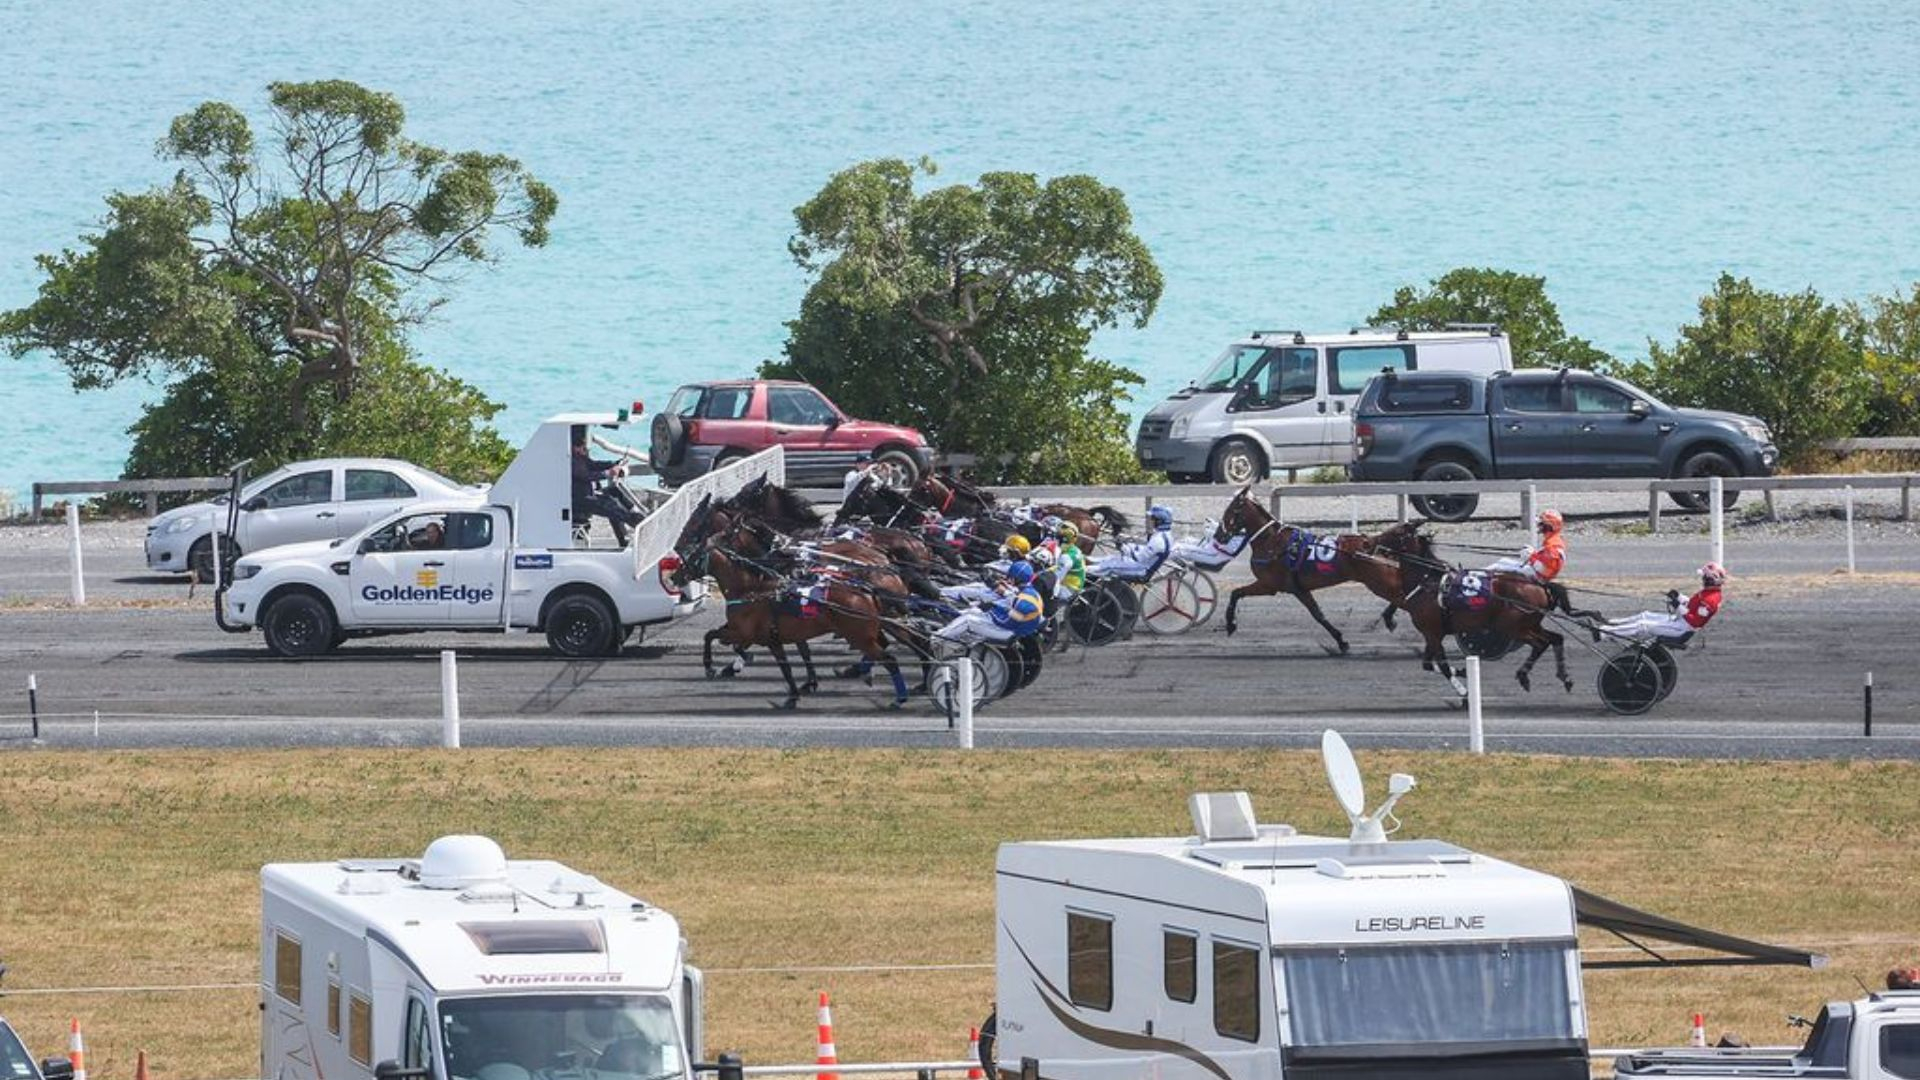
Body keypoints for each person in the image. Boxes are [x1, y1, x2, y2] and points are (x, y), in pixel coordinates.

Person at [1596, 563, 1727, 643]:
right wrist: (1679, 597)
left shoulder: (1711, 600)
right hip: (1680, 621)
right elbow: (1692, 605)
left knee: (1643, 625)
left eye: (1704, 577)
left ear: (1710, 579)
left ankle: (1604, 633)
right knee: (1645, 615)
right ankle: (1612, 623)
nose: (1702, 579)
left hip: (1683, 628)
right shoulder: (1708, 593)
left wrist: (1678, 606)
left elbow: (1695, 622)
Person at [934, 561, 1045, 644]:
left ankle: (935, 639)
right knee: (973, 611)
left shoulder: (1024, 599)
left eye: (1011, 577)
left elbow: (1011, 619)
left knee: (968, 620)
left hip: (1008, 630)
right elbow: (1012, 599)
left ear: (1016, 578)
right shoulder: (1030, 592)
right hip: (1014, 627)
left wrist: (992, 608)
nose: (1008, 579)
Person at [572, 428, 642, 546]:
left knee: (614, 491)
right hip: (580, 500)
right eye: (579, 445)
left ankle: (633, 512)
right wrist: (608, 473)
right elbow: (586, 476)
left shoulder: (580, 458)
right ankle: (637, 523)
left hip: (589, 494)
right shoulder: (571, 461)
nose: (583, 448)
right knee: (612, 506)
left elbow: (594, 465)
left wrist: (614, 463)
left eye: (583, 444)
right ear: (573, 447)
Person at [1092, 505, 1174, 581]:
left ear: (1159, 521)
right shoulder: (1165, 536)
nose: (1151, 521)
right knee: (1110, 559)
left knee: (1108, 567)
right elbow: (1145, 550)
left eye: (1153, 518)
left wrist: (1122, 547)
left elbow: (1138, 558)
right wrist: (1128, 545)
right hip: (1142, 565)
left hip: (1141, 570)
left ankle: (1087, 573)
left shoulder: (1158, 540)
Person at [1486, 509, 1567, 583]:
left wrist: (1530, 557)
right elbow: (1544, 559)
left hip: (1537, 576)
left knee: (1497, 567)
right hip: (1534, 571)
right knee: (1503, 561)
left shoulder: (1553, 545)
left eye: (1542, 523)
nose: (1539, 525)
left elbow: (1545, 570)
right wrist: (1533, 553)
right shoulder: (1552, 540)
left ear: (1549, 526)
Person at [1173, 518, 1247, 572]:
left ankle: (1184, 567)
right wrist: (1214, 527)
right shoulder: (1237, 530)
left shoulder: (1240, 535)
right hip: (1211, 549)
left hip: (1214, 556)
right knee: (1185, 540)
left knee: (1176, 549)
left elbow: (1229, 548)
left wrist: (1213, 533)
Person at [1053, 521, 1087, 595]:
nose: (1054, 538)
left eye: (1057, 536)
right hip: (1071, 584)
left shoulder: (1066, 557)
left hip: (1068, 590)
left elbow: (1055, 579)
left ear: (1063, 539)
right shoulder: (1073, 548)